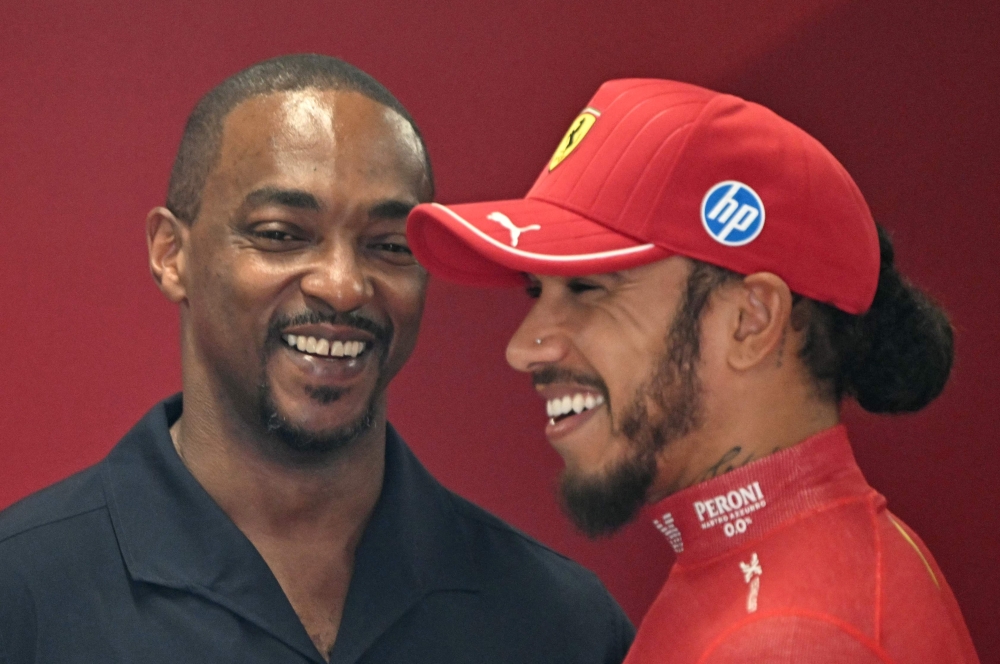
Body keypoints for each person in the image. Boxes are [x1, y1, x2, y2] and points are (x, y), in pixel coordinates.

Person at [0, 55, 635, 664]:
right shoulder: (22, 594)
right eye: (281, 235)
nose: (342, 285)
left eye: (388, 245)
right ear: (172, 255)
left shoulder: (560, 624)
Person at [406, 78, 981, 663]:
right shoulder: (780, 564)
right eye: (537, 291)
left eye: (587, 288)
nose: (523, 348)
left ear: (749, 322)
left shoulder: (788, 639)